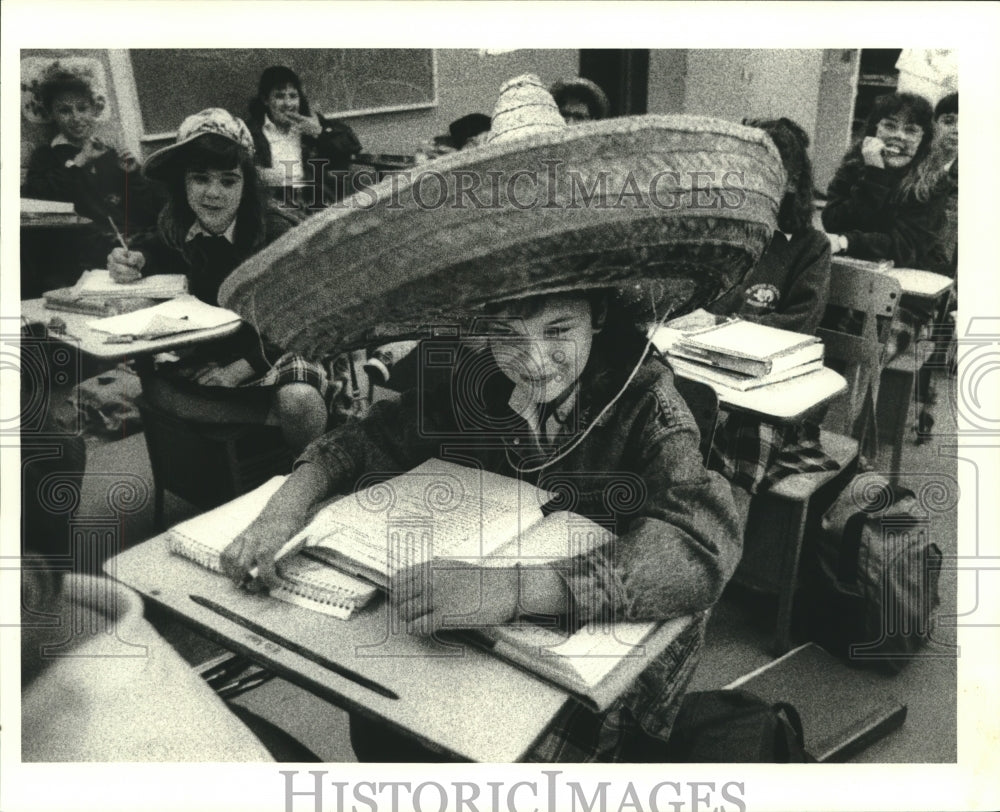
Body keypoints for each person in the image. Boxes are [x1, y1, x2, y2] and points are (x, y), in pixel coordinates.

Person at [214, 73, 787, 762]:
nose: (535, 361)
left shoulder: (648, 401)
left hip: (588, 661)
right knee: (385, 721)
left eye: (559, 329)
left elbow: (700, 550)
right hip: (467, 640)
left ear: (599, 315)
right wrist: (285, 509)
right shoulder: (470, 375)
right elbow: (365, 441)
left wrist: (512, 588)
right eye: (507, 334)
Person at [106, 108, 333, 452]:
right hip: (219, 346)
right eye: (200, 178)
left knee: (299, 397)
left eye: (228, 180)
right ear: (182, 182)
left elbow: (302, 319)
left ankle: (308, 442)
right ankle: (270, 417)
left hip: (280, 344)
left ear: (247, 182)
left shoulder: (275, 231)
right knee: (154, 389)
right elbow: (156, 249)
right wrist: (134, 260)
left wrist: (240, 370)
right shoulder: (177, 223)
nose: (213, 193)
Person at [674, 118, 834, 522]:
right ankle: (687, 532)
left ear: (793, 183)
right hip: (707, 372)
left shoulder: (810, 247)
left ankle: (726, 544)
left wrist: (719, 323)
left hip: (770, 389)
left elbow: (800, 322)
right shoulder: (723, 234)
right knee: (671, 418)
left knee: (739, 437)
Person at [21, 66, 162, 233]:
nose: (76, 118)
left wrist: (132, 175)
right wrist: (78, 162)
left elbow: (147, 211)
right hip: (85, 244)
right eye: (65, 111)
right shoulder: (46, 156)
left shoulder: (110, 153)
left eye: (82, 108)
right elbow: (39, 201)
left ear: (93, 110)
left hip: (131, 239)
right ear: (51, 114)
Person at [822, 92, 949, 274]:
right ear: (875, 129)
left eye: (911, 130)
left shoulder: (934, 182)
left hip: (912, 276)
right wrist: (874, 175)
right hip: (852, 268)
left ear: (924, 139)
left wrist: (846, 241)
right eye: (890, 126)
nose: (899, 136)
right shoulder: (853, 166)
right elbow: (834, 223)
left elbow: (905, 247)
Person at [247, 65, 362, 210]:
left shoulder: (310, 123)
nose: (288, 104)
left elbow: (352, 146)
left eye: (293, 96)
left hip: (313, 201)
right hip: (274, 206)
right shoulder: (251, 131)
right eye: (280, 96)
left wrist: (320, 133)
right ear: (266, 100)